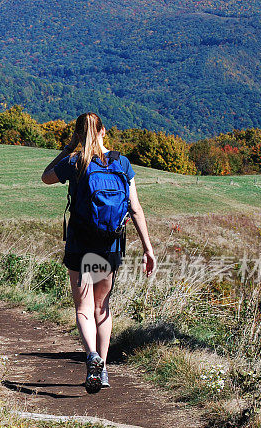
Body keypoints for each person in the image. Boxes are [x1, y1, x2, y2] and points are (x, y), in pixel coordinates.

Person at [41, 112, 155, 393]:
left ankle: (91, 355)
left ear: (79, 135)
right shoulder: (121, 163)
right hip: (109, 245)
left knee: (83, 307)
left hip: (81, 245)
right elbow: (135, 208)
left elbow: (45, 178)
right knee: (101, 307)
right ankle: (102, 369)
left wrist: (69, 147)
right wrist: (148, 249)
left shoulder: (75, 161)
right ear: (104, 131)